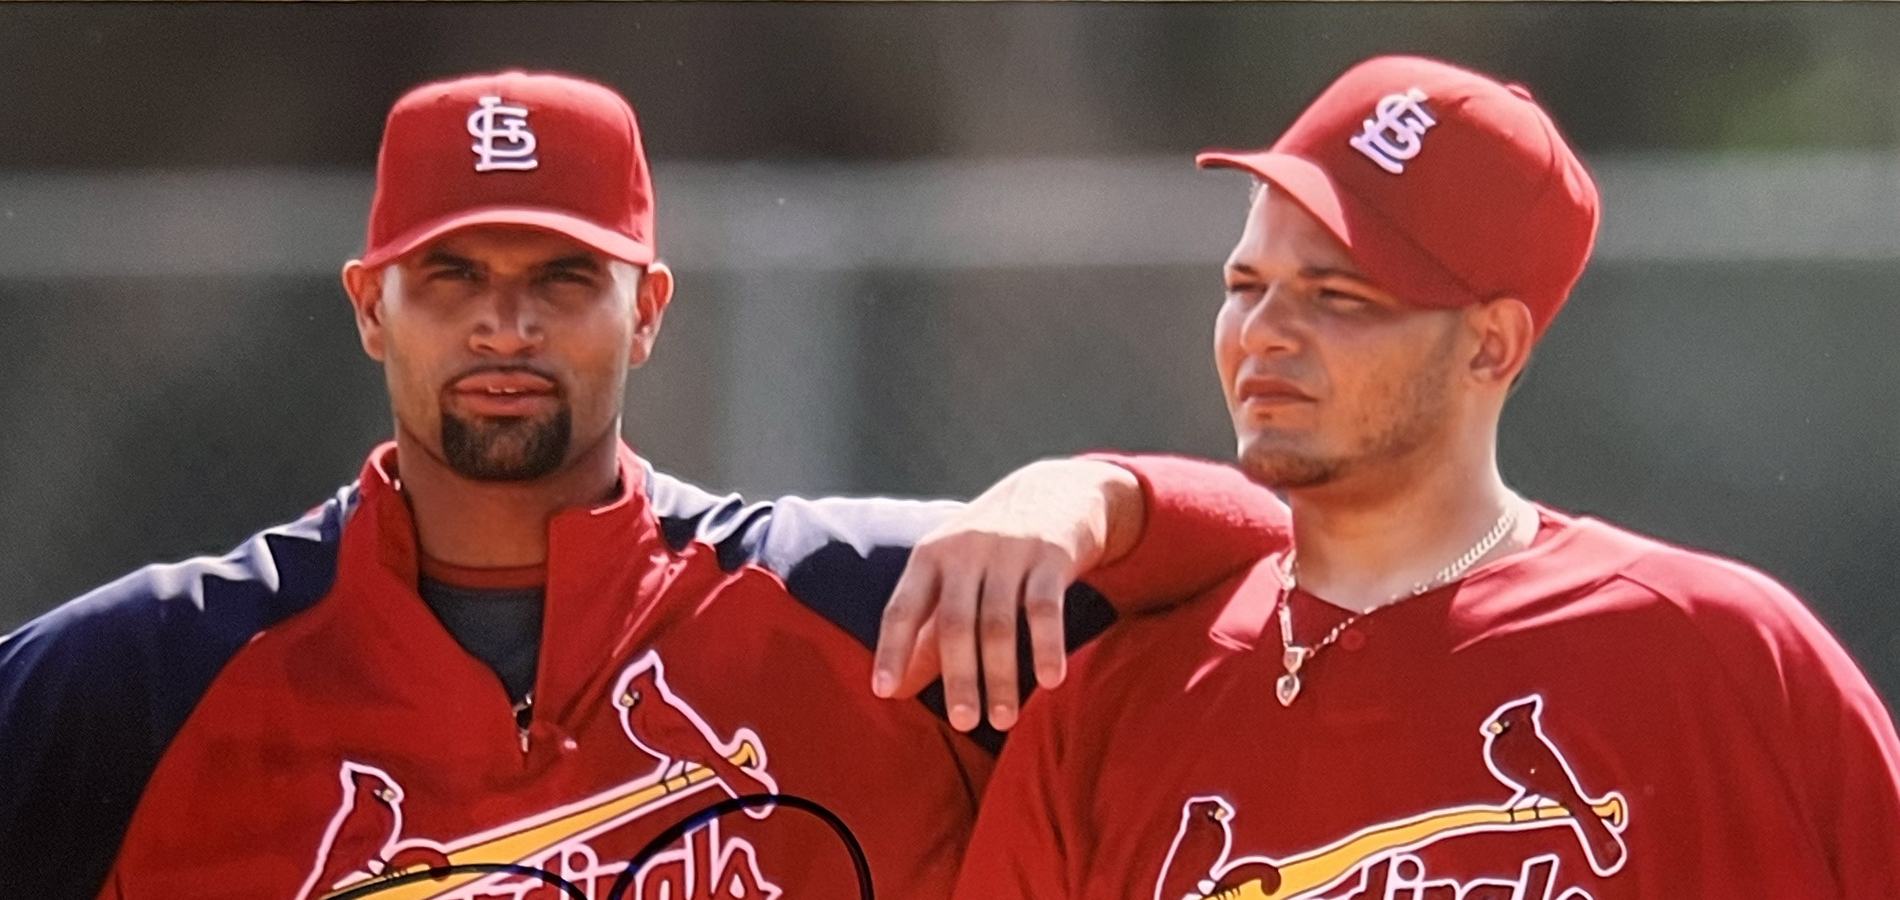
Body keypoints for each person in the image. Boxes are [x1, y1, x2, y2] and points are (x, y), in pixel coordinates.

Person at [0, 71, 1286, 900]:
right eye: (451, 276)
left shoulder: (874, 618)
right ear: (370, 309)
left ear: (649, 309)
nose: (505, 325)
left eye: (563, 278)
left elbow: (1286, 574)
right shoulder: (155, 678)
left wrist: (1075, 499)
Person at [937, 55, 1900, 898]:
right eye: (1245, 285)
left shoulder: (1715, 656)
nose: (1264, 331)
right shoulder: (1113, 704)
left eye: (1336, 295)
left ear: (1490, 346)